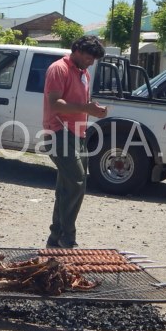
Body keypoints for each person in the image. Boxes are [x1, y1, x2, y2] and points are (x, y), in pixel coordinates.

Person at [42, 35, 107, 249]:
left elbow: (80, 104)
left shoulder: (83, 73)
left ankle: (55, 238)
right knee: (76, 182)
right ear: (77, 50)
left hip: (78, 135)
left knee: (67, 186)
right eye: (89, 57)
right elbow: (55, 103)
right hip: (59, 132)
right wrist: (86, 108)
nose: (91, 62)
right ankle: (67, 237)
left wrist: (93, 109)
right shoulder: (58, 69)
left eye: (94, 59)